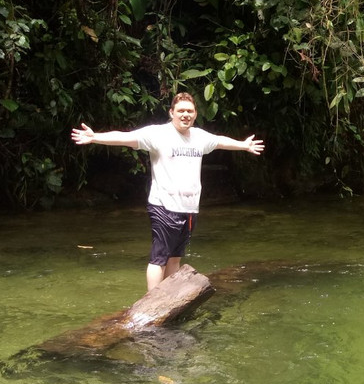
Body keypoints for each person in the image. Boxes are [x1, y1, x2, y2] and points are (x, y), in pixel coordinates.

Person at [71, 91, 265, 290]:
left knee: (175, 258)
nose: (185, 115)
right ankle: (152, 302)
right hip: (163, 205)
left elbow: (220, 141)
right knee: (159, 258)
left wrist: (243, 145)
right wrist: (94, 137)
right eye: (181, 111)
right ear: (172, 112)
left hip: (189, 209)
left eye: (190, 111)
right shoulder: (158, 134)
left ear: (196, 114)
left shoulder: (199, 137)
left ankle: (171, 298)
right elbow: (126, 137)